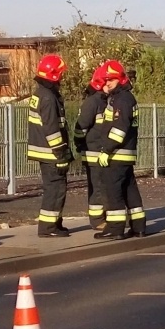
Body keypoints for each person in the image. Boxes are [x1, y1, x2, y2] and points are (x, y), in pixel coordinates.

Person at [95, 60, 146, 240]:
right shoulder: (123, 97)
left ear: (120, 79)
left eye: (111, 80)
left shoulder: (122, 99)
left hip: (117, 153)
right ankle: (138, 226)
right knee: (129, 190)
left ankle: (115, 229)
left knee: (113, 190)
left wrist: (106, 150)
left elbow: (119, 129)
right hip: (125, 153)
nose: (107, 83)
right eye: (105, 80)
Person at [26, 53, 72, 238]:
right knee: (56, 189)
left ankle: (54, 224)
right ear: (53, 75)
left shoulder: (41, 94)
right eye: (60, 74)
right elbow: (52, 130)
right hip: (51, 153)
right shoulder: (48, 98)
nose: (61, 77)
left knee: (54, 188)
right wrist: (61, 154)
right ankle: (48, 228)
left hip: (44, 151)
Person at [73, 65, 109, 230]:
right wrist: (80, 144)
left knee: (104, 186)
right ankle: (97, 221)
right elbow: (81, 128)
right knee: (97, 187)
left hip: (101, 152)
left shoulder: (103, 101)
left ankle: (106, 216)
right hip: (93, 152)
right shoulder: (93, 102)